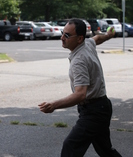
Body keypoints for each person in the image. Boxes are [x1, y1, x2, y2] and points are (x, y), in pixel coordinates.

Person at [38, 18, 122, 157]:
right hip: (101, 106)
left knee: (71, 147)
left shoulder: (79, 61)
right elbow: (96, 39)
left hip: (94, 112)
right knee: (105, 150)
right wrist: (108, 36)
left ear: (79, 38)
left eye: (67, 35)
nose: (62, 38)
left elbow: (80, 94)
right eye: (63, 33)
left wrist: (54, 105)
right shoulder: (86, 44)